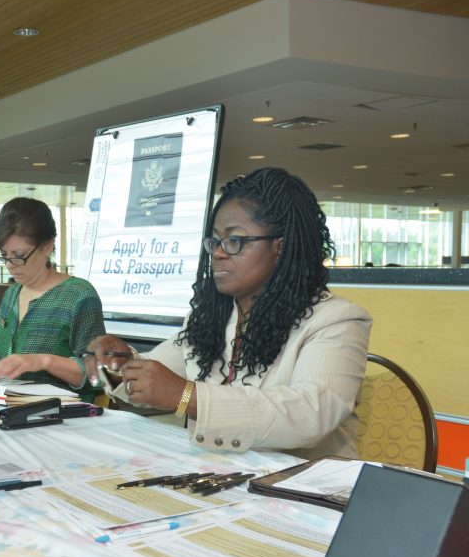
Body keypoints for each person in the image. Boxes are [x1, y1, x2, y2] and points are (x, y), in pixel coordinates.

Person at [85, 167, 372, 459]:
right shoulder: (211, 317)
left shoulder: (336, 320)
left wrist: (187, 396)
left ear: (280, 247)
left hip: (301, 488)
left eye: (234, 241)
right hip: (218, 476)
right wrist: (122, 364)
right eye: (215, 241)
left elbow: (310, 414)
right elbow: (160, 375)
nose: (218, 253)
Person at [0, 197, 105, 400]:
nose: (10, 264)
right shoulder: (12, 294)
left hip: (59, 418)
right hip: (7, 411)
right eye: (4, 255)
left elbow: (97, 374)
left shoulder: (78, 296)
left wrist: (44, 361)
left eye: (19, 255)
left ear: (47, 247)